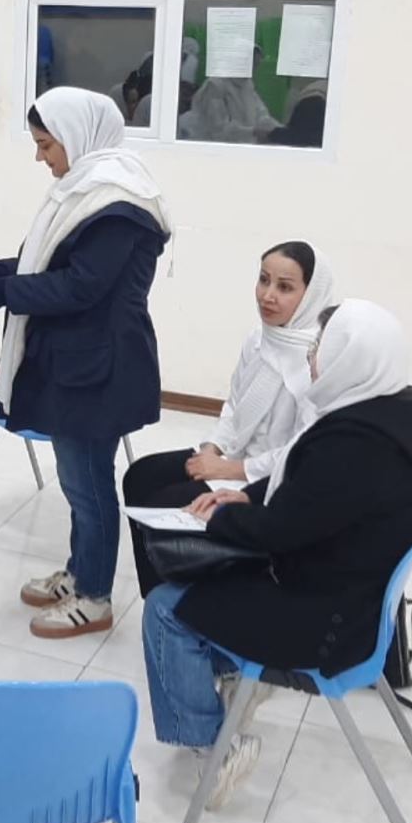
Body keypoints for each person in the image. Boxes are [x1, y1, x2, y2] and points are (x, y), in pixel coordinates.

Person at [140, 300, 412, 810]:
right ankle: (235, 684)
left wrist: (217, 519)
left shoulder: (350, 444)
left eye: (321, 348)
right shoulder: (400, 412)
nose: (312, 358)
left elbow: (280, 533)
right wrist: (245, 497)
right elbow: (309, 497)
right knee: (211, 585)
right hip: (359, 603)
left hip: (325, 624)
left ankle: (215, 747)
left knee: (166, 609)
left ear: (350, 356)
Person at [0, 87, 171, 639]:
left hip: (100, 369)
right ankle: (81, 571)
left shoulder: (119, 205)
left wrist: (2, 293)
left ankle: (95, 597)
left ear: (77, 136)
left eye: (45, 144)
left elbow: (80, 286)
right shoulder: (86, 189)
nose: (41, 157)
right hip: (77, 362)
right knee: (77, 479)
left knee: (89, 484)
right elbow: (50, 260)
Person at [123, 241, 338, 595]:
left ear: (311, 294)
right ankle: (158, 597)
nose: (267, 295)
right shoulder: (259, 339)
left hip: (267, 480)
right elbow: (234, 407)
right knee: (140, 476)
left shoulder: (317, 360)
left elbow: (299, 453)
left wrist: (228, 470)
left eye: (284, 287)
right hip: (232, 458)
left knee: (165, 503)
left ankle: (181, 601)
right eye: (264, 280)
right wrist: (212, 450)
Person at [179, 46, 280, 144]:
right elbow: (218, 129)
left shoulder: (246, 85)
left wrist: (278, 130)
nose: (253, 71)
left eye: (256, 66)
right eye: (251, 66)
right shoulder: (215, 86)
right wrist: (252, 132)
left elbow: (261, 114)